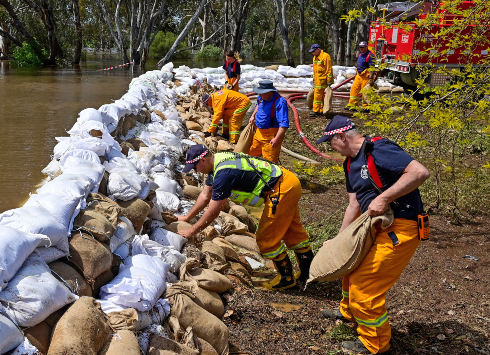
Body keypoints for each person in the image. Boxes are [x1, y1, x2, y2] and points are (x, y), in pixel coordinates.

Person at [315, 116, 430, 354]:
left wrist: (384, 197)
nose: (330, 148)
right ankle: (349, 312)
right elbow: (353, 204)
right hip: (373, 226)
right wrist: (339, 240)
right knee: (352, 267)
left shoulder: (379, 149)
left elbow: (419, 172)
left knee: (365, 285)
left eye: (330, 143)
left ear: (341, 137)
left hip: (401, 227)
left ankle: (374, 343)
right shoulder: (349, 164)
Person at [176, 145, 313, 291]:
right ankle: (308, 274)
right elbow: (205, 196)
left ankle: (287, 280)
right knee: (292, 231)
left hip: (281, 189)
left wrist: (192, 231)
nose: (195, 171)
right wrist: (186, 217)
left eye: (195, 167)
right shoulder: (216, 163)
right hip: (287, 181)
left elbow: (213, 211)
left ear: (203, 160)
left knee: (266, 239)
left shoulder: (224, 174)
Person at [248, 80, 289, 163]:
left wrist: (276, 139)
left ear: (269, 92)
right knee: (251, 155)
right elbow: (258, 105)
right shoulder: (262, 97)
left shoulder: (280, 103)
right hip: (258, 133)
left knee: (270, 162)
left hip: (270, 136)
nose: (259, 95)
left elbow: (284, 124)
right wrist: (253, 116)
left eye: (262, 93)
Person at [346, 41, 375, 111]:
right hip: (359, 76)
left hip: (366, 76)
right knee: (354, 90)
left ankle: (366, 107)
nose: (361, 49)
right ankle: (352, 105)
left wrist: (371, 78)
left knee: (365, 92)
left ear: (366, 47)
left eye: (362, 47)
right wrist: (356, 75)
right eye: (360, 47)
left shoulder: (370, 55)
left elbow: (372, 67)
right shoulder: (360, 55)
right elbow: (358, 66)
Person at [309, 44, 334, 116]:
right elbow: (315, 70)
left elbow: (329, 69)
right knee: (320, 95)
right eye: (312, 51)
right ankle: (320, 110)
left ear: (318, 49)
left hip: (323, 80)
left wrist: (329, 80)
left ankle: (316, 110)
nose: (313, 53)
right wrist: (314, 78)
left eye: (314, 51)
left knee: (317, 95)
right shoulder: (315, 57)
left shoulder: (325, 56)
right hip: (317, 80)